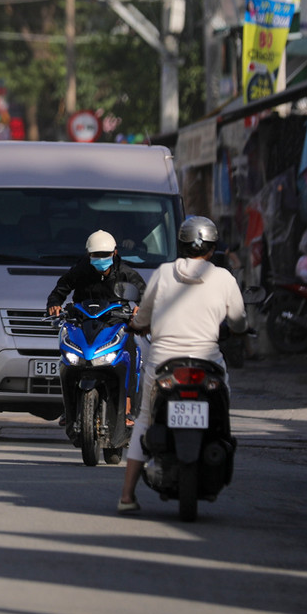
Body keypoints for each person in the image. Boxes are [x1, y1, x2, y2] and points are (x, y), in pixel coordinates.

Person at [117, 216, 246, 513]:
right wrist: (235, 329)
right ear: (212, 248)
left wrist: (136, 325)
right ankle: (218, 445)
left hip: (163, 364)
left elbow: (143, 317)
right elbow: (239, 322)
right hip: (208, 363)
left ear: (180, 244)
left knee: (145, 420)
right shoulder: (224, 278)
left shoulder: (163, 274)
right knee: (222, 409)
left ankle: (126, 495)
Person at [46, 230, 146, 316]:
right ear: (89, 254)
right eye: (96, 254)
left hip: (117, 324)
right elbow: (59, 291)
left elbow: (147, 299)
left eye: (105, 254)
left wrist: (143, 309)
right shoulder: (80, 270)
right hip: (83, 322)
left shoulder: (126, 273)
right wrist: (54, 304)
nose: (101, 258)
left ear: (114, 253)